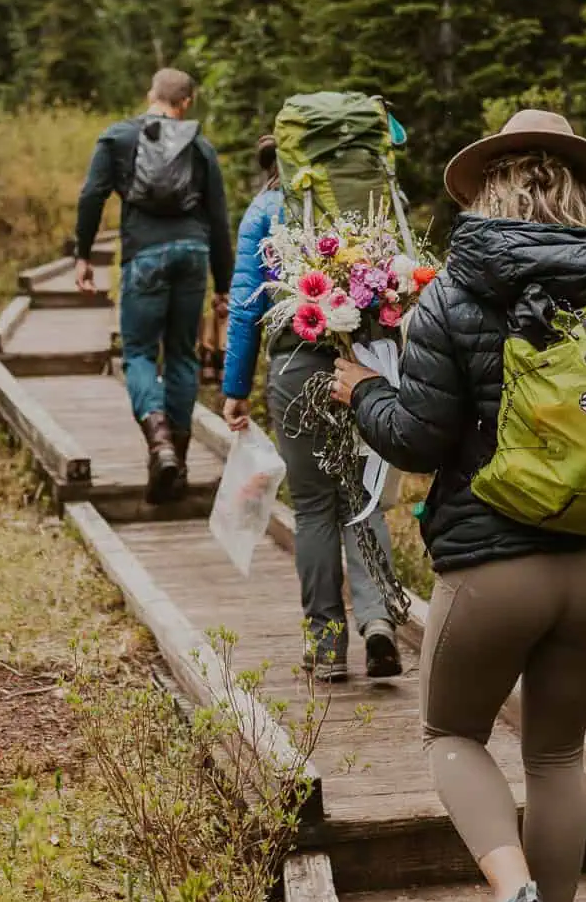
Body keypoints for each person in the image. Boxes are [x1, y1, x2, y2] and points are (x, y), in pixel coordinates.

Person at [331, 110, 586, 902]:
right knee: (559, 752)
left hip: (493, 567)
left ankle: (512, 896)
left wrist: (358, 392)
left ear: (490, 185)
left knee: (451, 735)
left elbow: (417, 438)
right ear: (578, 189)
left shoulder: (453, 291)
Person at [223, 132, 403, 684]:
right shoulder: (368, 197)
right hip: (368, 364)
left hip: (296, 365)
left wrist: (235, 387)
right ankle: (378, 623)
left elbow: (244, 304)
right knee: (363, 495)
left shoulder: (265, 209)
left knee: (313, 507)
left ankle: (326, 645)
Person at [75, 69, 234, 501]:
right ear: (186, 103)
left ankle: (159, 443)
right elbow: (219, 220)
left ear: (151, 95)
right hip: (193, 256)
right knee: (181, 355)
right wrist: (224, 285)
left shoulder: (119, 138)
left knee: (140, 354)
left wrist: (83, 255)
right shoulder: (199, 146)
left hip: (144, 256)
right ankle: (176, 465)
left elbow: (92, 195)